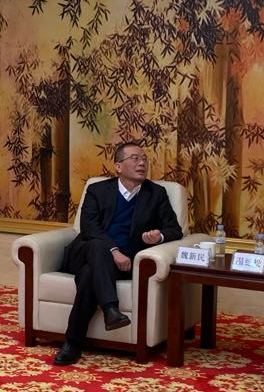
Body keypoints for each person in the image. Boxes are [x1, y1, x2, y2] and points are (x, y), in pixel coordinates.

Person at [54, 141, 183, 366]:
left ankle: (72, 344)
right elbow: (89, 227)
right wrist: (114, 251)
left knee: (88, 276)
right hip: (86, 253)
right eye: (135, 158)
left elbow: (175, 230)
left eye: (144, 159)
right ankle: (110, 308)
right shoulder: (97, 190)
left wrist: (159, 237)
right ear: (118, 166)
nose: (142, 163)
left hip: (124, 264)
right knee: (97, 246)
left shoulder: (156, 193)